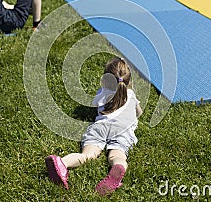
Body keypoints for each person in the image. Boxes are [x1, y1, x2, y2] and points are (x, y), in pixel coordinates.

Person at [45, 57, 143, 196]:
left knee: (87, 155)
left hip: (101, 127)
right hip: (123, 131)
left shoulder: (101, 93)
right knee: (117, 155)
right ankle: (118, 167)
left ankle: (62, 163)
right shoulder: (131, 95)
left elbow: (96, 105)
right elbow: (139, 113)